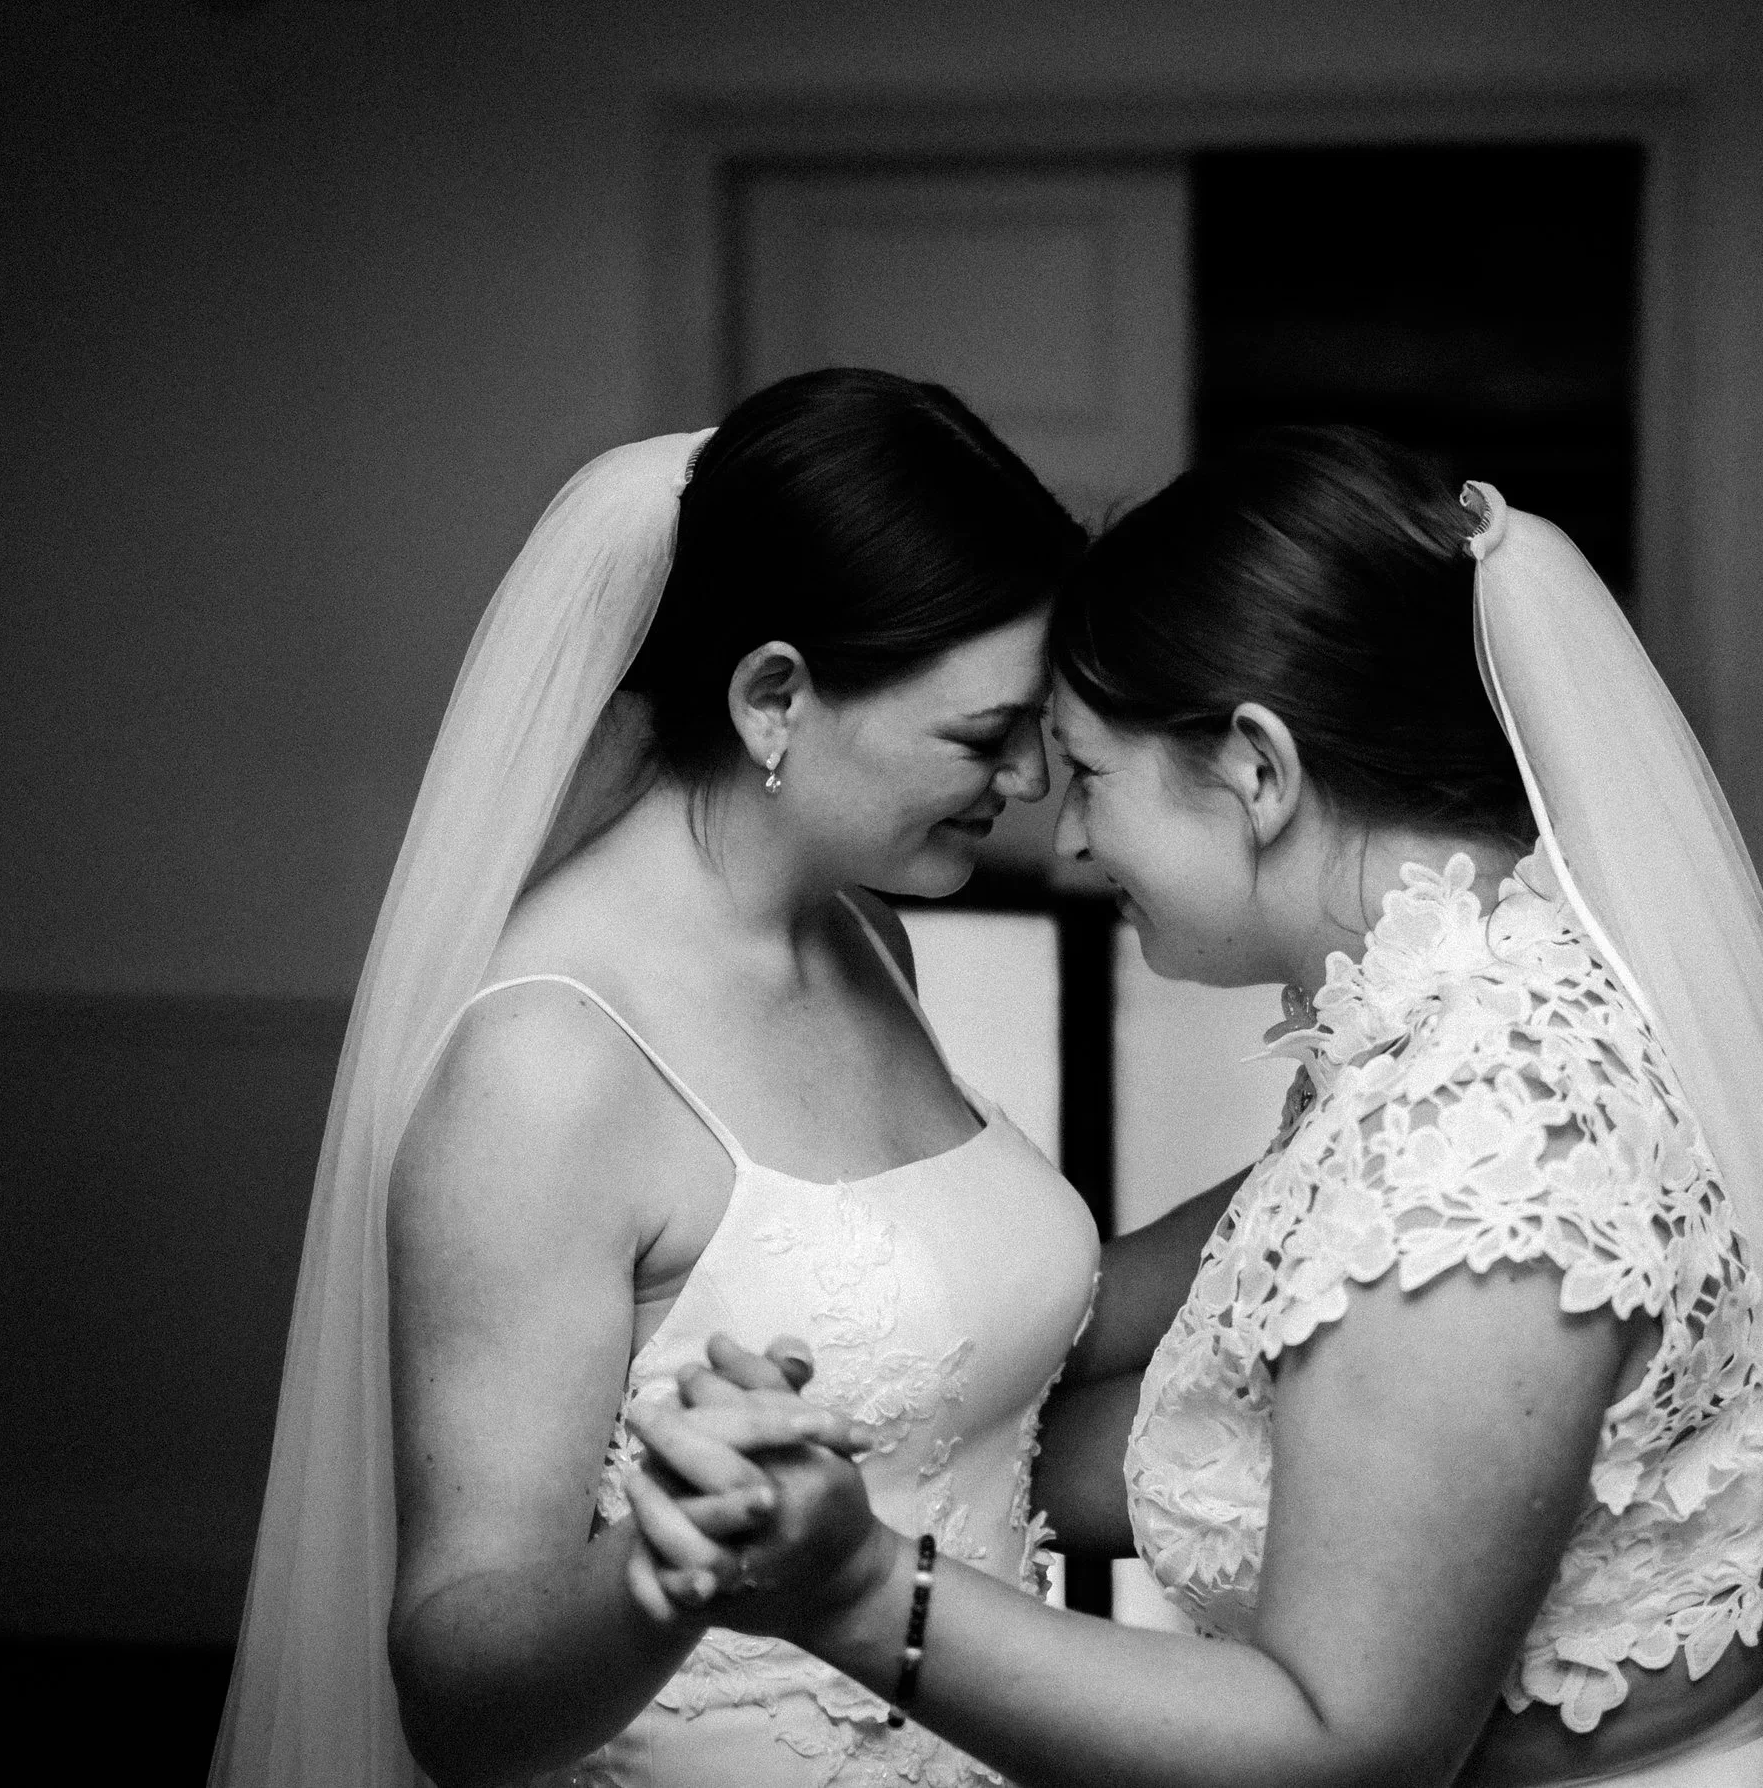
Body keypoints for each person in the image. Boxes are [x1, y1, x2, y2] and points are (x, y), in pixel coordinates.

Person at [626, 428, 1763, 1787]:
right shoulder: (1449, 1013)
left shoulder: (1484, 1133)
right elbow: (1206, 1330)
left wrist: (867, 1591)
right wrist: (897, 1334)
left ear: (1256, 768)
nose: (1062, 836)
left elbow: (1346, 1748)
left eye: (1092, 774)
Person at [209, 368, 1101, 1788]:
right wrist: (661, 1568)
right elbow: (455, 1686)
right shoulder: (548, 1064)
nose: (1039, 778)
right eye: (984, 734)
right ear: (774, 696)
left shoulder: (864, 932)